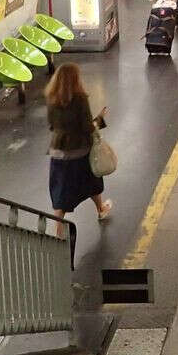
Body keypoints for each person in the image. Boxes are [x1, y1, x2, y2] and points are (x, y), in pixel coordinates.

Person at [45, 64, 112, 236]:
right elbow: (87, 127)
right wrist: (100, 119)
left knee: (62, 190)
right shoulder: (80, 98)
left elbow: (52, 125)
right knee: (91, 182)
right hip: (79, 152)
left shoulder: (52, 97)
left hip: (58, 152)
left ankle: (60, 232)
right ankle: (100, 210)